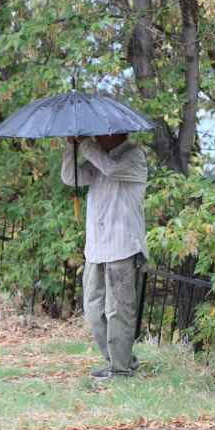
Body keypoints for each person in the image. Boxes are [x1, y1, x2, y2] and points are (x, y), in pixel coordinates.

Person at [62, 133, 148, 379]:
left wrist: (85, 145)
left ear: (116, 133)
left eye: (100, 133)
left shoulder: (133, 156)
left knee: (118, 311)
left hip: (123, 246)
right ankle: (119, 361)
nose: (96, 136)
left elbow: (109, 169)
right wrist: (70, 147)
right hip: (96, 248)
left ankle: (120, 369)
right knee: (93, 309)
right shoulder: (100, 157)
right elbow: (70, 177)